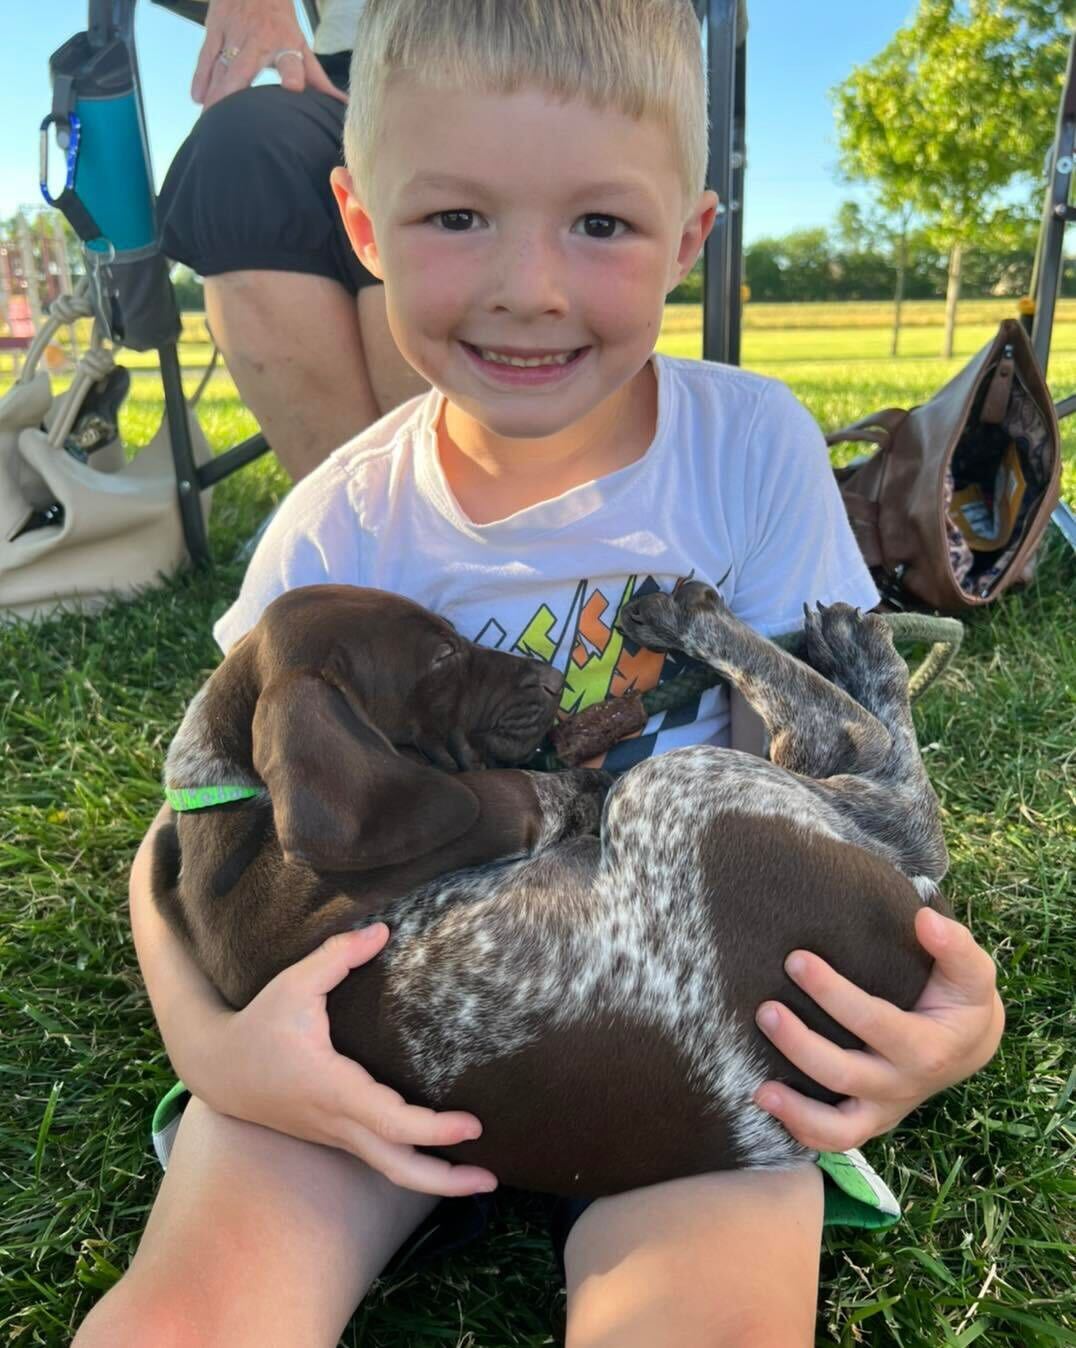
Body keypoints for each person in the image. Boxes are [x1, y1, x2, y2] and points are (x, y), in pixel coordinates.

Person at [77, 2, 1005, 1343]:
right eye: (457, 220)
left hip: (691, 1010)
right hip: (381, 1025)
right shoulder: (341, 525)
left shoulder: (746, 448)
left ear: (689, 236)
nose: (530, 287)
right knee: (190, 1320)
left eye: (601, 225)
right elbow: (198, 820)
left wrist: (941, 1010)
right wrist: (208, 1044)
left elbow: (831, 760)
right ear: (360, 224)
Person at [158, 0, 427, 481]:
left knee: (417, 155)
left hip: (527, 48)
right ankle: (345, 516)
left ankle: (464, 520)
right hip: (346, 66)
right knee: (239, 149)